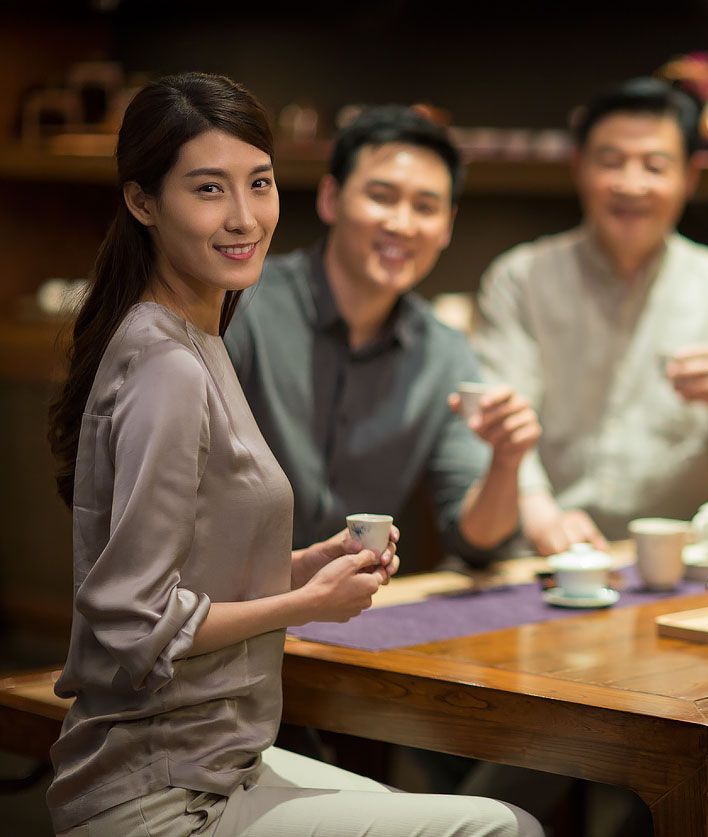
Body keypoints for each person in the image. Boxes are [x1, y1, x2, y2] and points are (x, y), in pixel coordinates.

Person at [44, 72, 540, 837]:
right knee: (498, 826)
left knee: (490, 809)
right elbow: (129, 620)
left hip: (223, 754)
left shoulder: (199, 336)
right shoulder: (174, 361)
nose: (243, 216)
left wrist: (305, 564)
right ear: (143, 203)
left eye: (260, 183)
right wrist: (307, 603)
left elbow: (189, 563)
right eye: (208, 189)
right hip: (164, 786)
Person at [473, 77, 708, 554]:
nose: (631, 185)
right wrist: (540, 512)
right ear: (578, 168)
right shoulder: (521, 281)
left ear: (689, 178)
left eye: (655, 166)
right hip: (538, 559)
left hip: (675, 565)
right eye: (610, 163)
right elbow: (497, 424)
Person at [225, 105, 539, 565]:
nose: (402, 224)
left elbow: (475, 538)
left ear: (447, 226)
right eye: (382, 196)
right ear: (330, 198)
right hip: (227, 601)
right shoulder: (241, 306)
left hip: (358, 612)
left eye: (426, 207)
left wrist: (507, 462)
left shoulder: (444, 352)